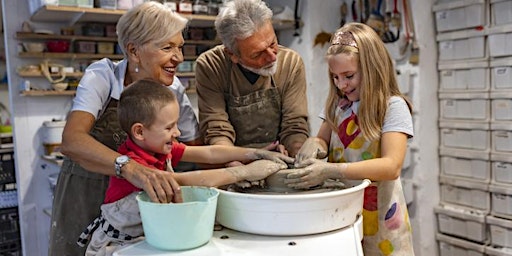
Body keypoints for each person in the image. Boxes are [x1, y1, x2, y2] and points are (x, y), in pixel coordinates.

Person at [48, 2, 200, 255]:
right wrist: (130, 168)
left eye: (180, 47)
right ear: (134, 51)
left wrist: (234, 164)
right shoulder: (103, 77)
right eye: (167, 47)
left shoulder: (174, 90)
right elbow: (72, 141)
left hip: (136, 206)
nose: (179, 58)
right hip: (86, 195)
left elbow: (193, 149)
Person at [77, 79, 291, 255]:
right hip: (117, 245)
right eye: (169, 127)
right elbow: (188, 181)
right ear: (140, 132)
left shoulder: (160, 149)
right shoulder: (136, 164)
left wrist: (254, 153)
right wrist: (242, 172)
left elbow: (210, 152)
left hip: (149, 237)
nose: (178, 133)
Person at [285, 23, 415, 255]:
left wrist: (331, 171)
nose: (341, 84)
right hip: (342, 213)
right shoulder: (338, 104)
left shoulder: (392, 106)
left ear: (373, 68)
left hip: (382, 218)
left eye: (349, 76)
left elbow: (391, 166)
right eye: (335, 77)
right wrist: (316, 143)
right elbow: (323, 140)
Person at [195, 0, 310, 161]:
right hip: (234, 157)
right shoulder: (211, 66)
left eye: (273, 43)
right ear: (232, 54)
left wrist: (297, 155)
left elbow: (295, 124)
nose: (272, 56)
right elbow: (217, 129)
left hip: (281, 157)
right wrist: (236, 166)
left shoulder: (290, 63)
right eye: (257, 54)